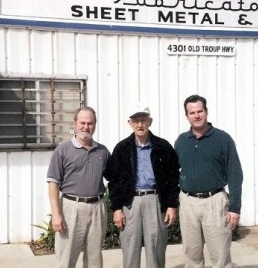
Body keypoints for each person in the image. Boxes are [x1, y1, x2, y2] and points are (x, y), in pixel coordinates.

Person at [104, 104, 180, 268]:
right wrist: (116, 208)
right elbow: (113, 181)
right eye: (136, 121)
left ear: (150, 122)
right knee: (130, 248)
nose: (140, 125)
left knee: (156, 248)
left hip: (155, 200)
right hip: (131, 203)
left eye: (143, 120)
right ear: (130, 123)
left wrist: (172, 205)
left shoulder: (163, 146)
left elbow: (174, 177)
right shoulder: (122, 148)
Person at [175, 95, 243, 268]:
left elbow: (235, 173)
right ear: (187, 116)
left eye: (200, 111)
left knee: (220, 256)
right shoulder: (181, 141)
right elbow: (173, 172)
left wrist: (235, 207)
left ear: (206, 112)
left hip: (215, 202)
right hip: (188, 203)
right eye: (192, 112)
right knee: (192, 255)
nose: (196, 115)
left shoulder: (222, 139)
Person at [46, 106, 111, 268]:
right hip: (71, 208)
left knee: (94, 259)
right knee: (66, 257)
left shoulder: (102, 151)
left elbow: (114, 179)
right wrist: (56, 214)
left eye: (90, 123)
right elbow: (53, 183)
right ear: (75, 124)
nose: (86, 127)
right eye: (82, 123)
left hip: (97, 208)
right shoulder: (62, 150)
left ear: (95, 125)